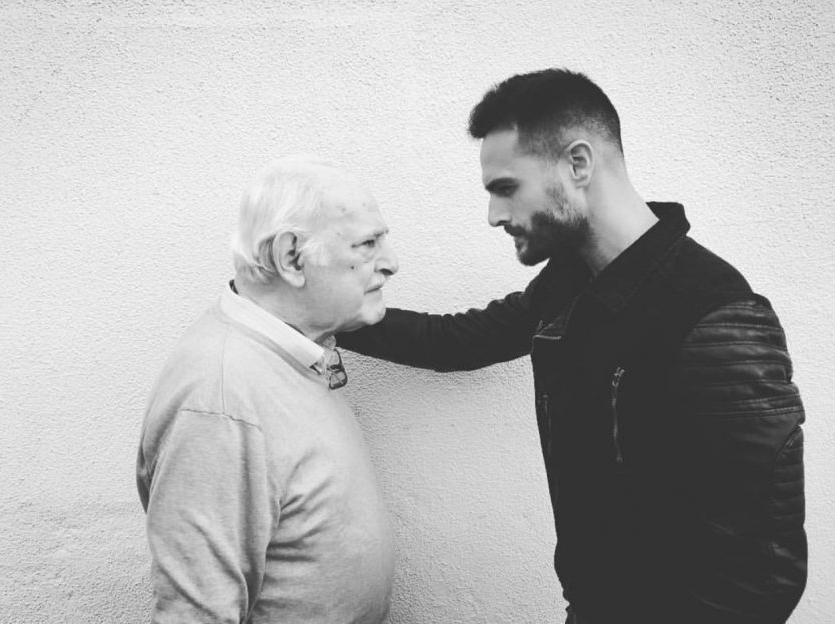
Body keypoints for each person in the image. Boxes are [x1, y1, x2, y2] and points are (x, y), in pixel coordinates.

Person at [339, 69, 807, 623]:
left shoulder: (716, 314)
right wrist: (327, 311)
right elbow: (457, 341)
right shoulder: (574, 282)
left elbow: (763, 575)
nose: (494, 216)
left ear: (578, 164)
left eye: (506, 188)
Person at [136, 156, 399, 623]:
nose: (391, 263)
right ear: (291, 257)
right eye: (367, 244)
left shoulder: (290, 349)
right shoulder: (220, 403)